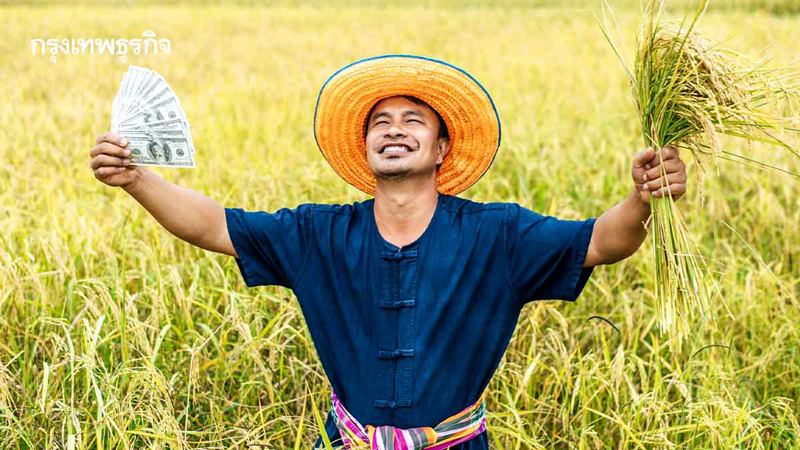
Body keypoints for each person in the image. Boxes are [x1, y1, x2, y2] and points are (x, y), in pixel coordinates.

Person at [89, 55, 688, 450]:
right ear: (366, 143)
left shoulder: (498, 236)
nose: (394, 129)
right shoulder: (317, 235)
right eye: (380, 121)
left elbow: (603, 242)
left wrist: (641, 196)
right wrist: (136, 179)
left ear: (442, 146)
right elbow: (214, 226)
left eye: (413, 120)